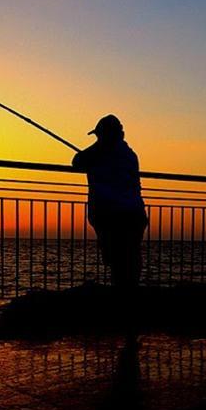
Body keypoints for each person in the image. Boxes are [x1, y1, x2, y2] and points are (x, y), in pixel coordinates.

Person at [72, 114, 149, 288]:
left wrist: (97, 148)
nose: (98, 139)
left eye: (99, 135)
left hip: (112, 215)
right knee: (130, 260)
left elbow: (77, 162)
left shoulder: (101, 151)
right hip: (134, 213)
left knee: (118, 262)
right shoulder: (130, 154)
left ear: (105, 134)